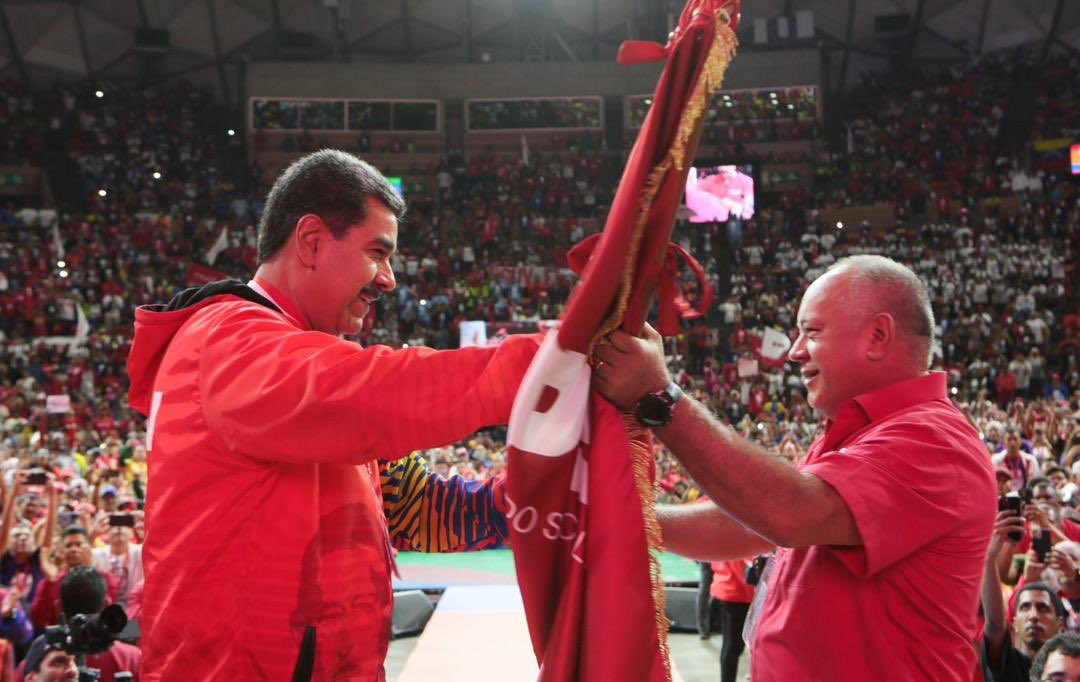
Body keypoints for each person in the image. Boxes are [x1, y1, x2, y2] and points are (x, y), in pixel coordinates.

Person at [125, 150, 538, 680]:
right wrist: (559, 363)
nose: (388, 279)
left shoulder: (292, 365)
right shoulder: (230, 340)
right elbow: (386, 392)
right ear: (312, 241)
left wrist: (536, 501)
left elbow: (413, 509)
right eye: (377, 252)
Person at [594, 254, 996, 680]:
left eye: (811, 331)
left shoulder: (934, 441)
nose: (794, 351)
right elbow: (747, 524)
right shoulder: (856, 433)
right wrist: (635, 520)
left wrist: (659, 398)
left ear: (878, 335)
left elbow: (789, 514)